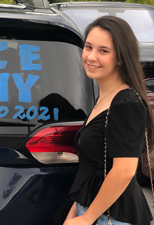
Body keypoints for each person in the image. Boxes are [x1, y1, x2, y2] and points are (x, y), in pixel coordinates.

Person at [64, 16, 154, 225]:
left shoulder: (126, 103)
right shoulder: (105, 97)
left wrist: (87, 218)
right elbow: (93, 166)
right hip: (92, 209)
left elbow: (124, 170)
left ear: (121, 58)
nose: (91, 57)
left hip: (113, 217)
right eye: (88, 47)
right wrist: (77, 209)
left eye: (103, 51)